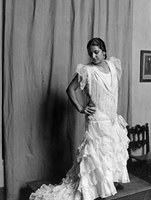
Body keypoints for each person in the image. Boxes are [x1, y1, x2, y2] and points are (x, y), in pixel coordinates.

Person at [29, 37, 130, 200]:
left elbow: (111, 93)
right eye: (91, 54)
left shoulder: (112, 65)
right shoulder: (87, 70)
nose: (94, 56)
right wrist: (81, 108)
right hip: (96, 119)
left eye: (96, 52)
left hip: (111, 117)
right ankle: (96, 188)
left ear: (104, 51)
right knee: (96, 153)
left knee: (111, 150)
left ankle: (109, 182)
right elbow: (70, 89)